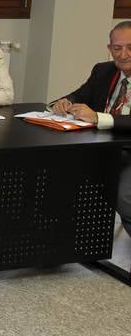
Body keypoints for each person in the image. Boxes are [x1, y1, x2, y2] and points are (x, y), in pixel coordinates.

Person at [50, 20, 131, 238]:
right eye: (117, 48)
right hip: (101, 147)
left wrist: (98, 117)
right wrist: (65, 102)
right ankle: (66, 242)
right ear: (109, 49)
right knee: (56, 174)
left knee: (124, 196)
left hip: (128, 152)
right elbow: (80, 95)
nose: (124, 54)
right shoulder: (103, 70)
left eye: (130, 47)